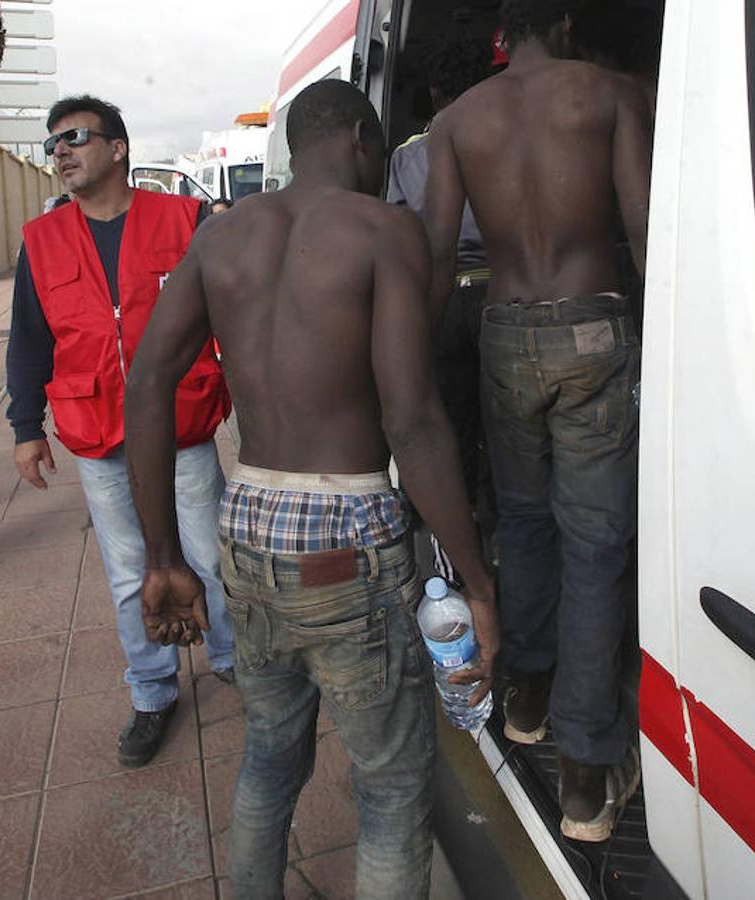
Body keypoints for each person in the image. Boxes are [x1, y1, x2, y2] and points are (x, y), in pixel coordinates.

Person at [123, 79, 498, 899]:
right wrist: (477, 582)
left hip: (248, 527)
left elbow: (146, 380)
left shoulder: (220, 237)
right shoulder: (382, 230)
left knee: (268, 750)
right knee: (393, 788)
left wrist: (161, 557)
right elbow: (412, 421)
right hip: (349, 537)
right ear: (362, 141)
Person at [423, 0, 653, 842]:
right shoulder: (611, 93)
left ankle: (526, 698)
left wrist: (413, 375)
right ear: (559, 22)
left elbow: (439, 258)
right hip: (595, 319)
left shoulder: (458, 120)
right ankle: (586, 780)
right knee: (594, 543)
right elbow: (641, 224)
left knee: (521, 520)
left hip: (504, 329)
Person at [5, 95, 236, 769]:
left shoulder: (185, 219)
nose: (61, 152)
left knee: (212, 556)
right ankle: (153, 691)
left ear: (119, 148)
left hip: (182, 427)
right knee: (129, 570)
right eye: (53, 145)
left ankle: (231, 659)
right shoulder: (42, 242)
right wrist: (26, 426)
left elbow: (232, 315)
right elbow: (28, 341)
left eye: (75, 137)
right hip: (98, 433)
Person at [386, 35, 496, 582]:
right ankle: (500, 548)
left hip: (442, 299)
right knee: (506, 438)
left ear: (433, 90)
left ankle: (453, 565)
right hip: (503, 297)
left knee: (449, 435)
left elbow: (400, 234)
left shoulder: (408, 153)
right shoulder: (505, 133)